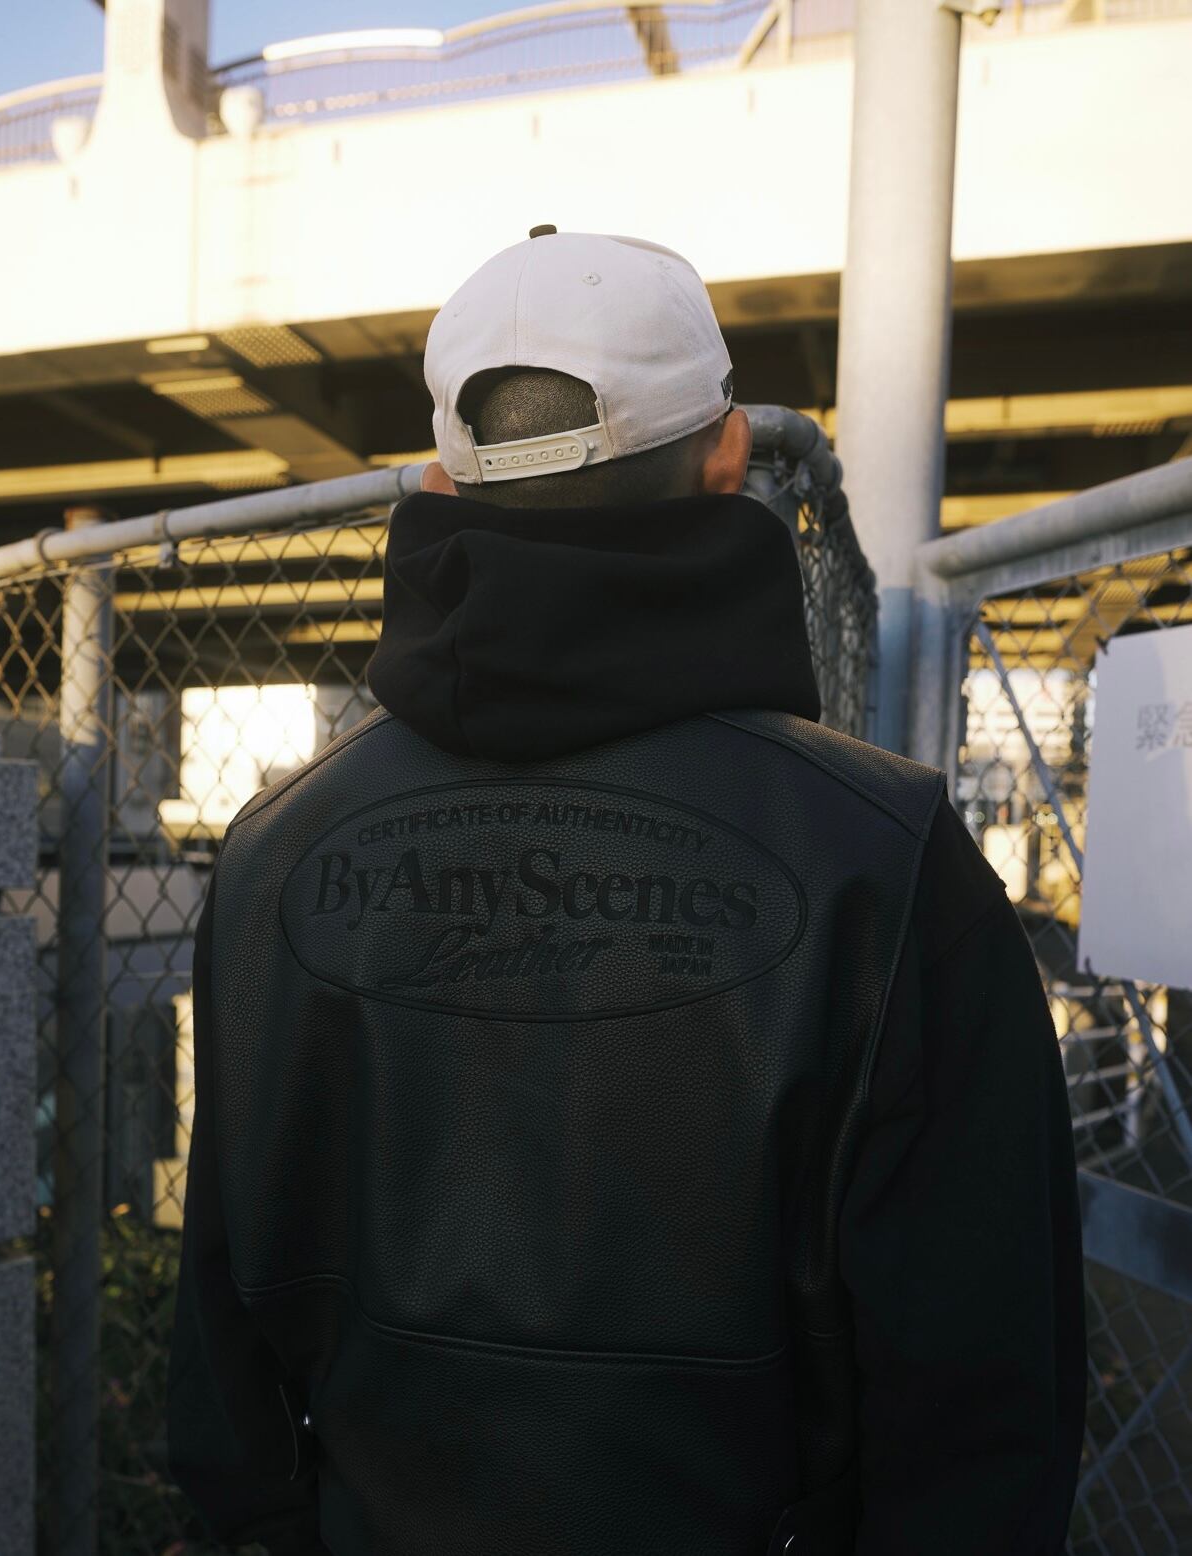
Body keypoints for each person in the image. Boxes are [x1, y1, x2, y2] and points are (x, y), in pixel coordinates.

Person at [167, 228, 1086, 1555]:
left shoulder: (275, 849)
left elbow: (224, 1357)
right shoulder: (884, 857)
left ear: (442, 480)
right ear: (727, 457)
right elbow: (980, 1389)